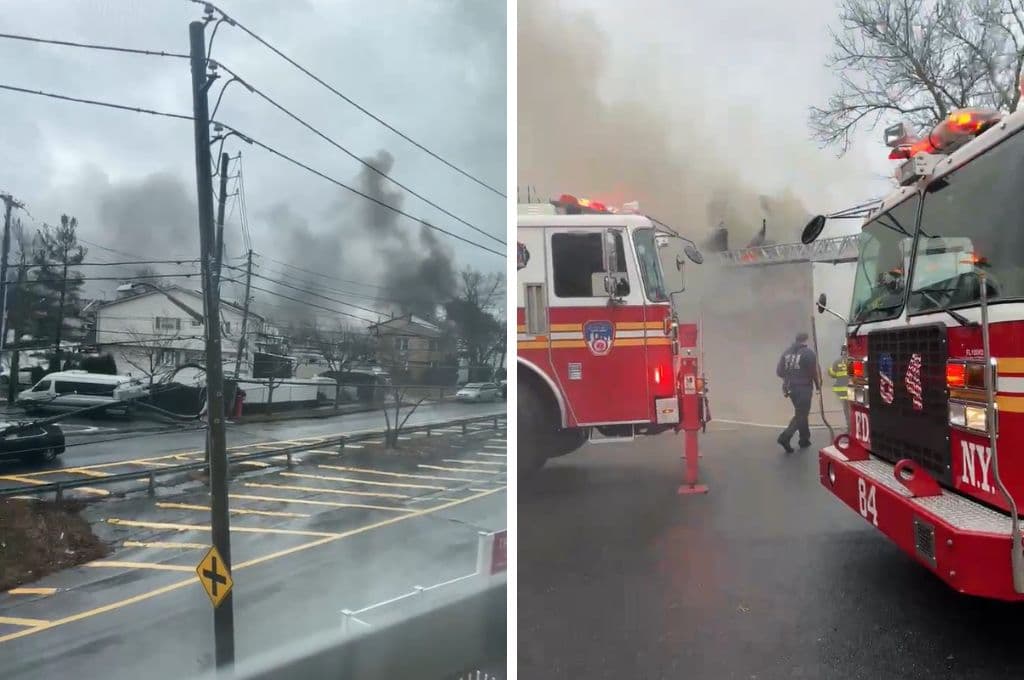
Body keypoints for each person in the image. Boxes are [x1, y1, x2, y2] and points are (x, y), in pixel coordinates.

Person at [776, 331, 821, 453]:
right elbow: (813, 372)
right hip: (804, 388)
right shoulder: (808, 353)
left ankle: (804, 439)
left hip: (790, 388)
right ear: (806, 340)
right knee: (801, 414)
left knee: (801, 413)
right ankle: (785, 437)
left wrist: (790, 377)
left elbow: (779, 372)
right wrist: (818, 386)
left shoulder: (786, 353)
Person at [828, 345, 850, 430]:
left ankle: (848, 424)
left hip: (841, 390)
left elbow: (832, 374)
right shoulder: (851, 360)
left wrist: (829, 369)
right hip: (852, 389)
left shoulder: (837, 361)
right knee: (852, 406)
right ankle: (853, 424)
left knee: (846, 407)